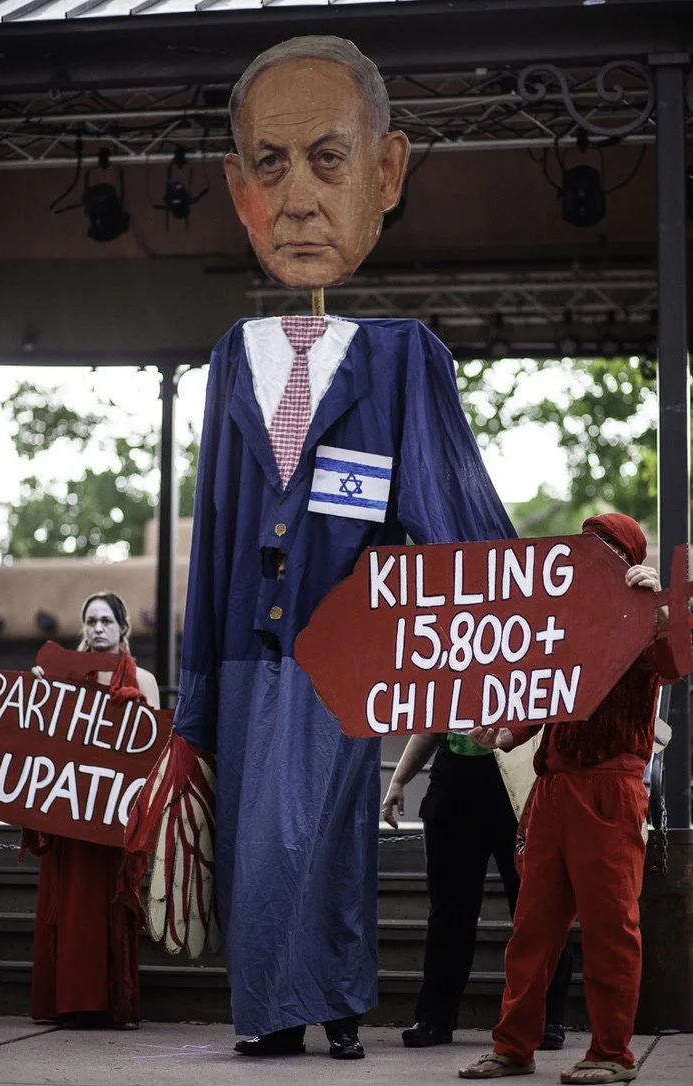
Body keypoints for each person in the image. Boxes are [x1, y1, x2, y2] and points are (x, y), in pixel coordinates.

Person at [127, 34, 516, 1062]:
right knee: (259, 843)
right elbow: (212, 532)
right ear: (237, 188)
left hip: (345, 658)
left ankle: (339, 1002)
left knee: (330, 840)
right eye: (269, 165)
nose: (297, 199)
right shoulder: (228, 361)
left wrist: (516, 649)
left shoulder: (400, 360)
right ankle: (270, 1011)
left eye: (329, 160)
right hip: (252, 662)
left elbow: (453, 512)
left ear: (386, 172)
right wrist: (193, 700)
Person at [458, 513, 682, 1084]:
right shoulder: (563, 622)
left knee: (611, 927)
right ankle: (514, 1046)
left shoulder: (645, 615)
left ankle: (611, 1053)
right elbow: (542, 698)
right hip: (553, 789)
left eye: (604, 548)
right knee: (532, 928)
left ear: (627, 557)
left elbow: (677, 663)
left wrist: (657, 607)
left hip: (610, 790)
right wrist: (504, 733)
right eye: (585, 547)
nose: (591, 556)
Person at [382, 732, 573, 1051]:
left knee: (536, 909)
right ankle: (434, 1019)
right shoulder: (447, 678)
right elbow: (432, 723)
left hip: (520, 783)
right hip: (454, 783)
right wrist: (399, 779)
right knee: (448, 913)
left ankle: (547, 1016)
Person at [24, 591, 160, 1029]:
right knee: (68, 908)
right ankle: (67, 1000)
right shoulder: (59, 675)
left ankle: (107, 1002)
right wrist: (38, 691)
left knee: (108, 907)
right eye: (90, 620)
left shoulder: (144, 678)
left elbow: (152, 750)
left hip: (112, 819)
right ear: (83, 628)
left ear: (123, 628)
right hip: (69, 815)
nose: (98, 627)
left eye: (106, 620)